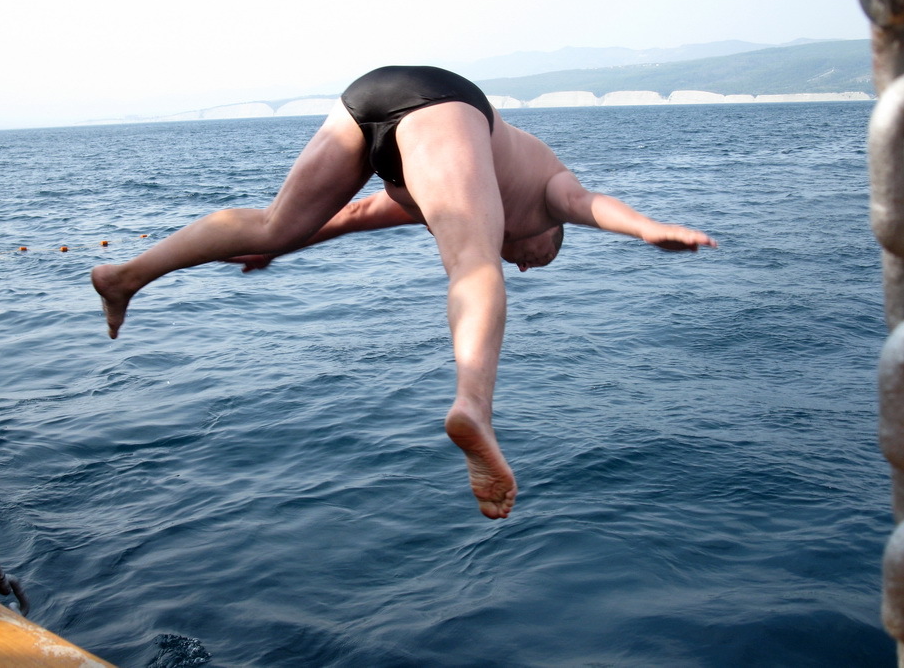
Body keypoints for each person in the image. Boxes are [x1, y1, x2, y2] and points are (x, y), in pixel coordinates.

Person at [92, 65, 716, 520]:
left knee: (273, 222)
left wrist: (283, 247)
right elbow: (585, 203)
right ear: (551, 232)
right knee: (474, 265)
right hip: (444, 102)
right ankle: (473, 406)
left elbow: (361, 215)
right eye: (542, 256)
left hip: (370, 96)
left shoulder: (456, 187)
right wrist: (646, 227)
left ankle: (124, 276)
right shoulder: (546, 189)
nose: (529, 264)